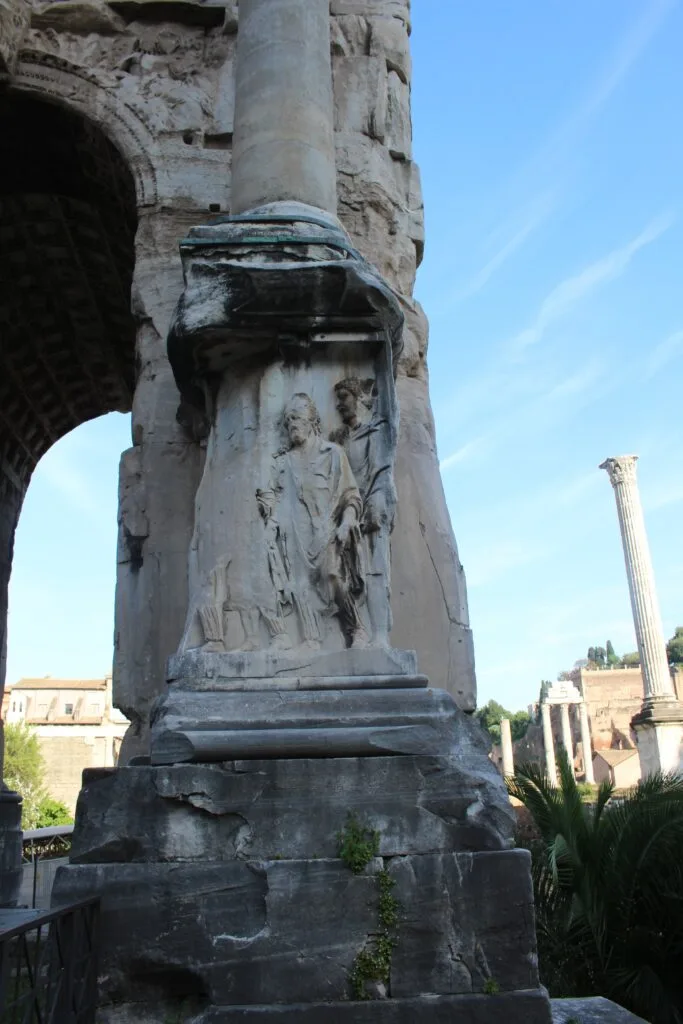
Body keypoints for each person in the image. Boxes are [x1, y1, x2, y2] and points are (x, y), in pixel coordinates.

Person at [257, 393, 368, 649]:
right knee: (299, 585)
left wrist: (347, 521)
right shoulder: (283, 462)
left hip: (327, 528)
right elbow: (272, 495)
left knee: (332, 575)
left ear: (311, 420)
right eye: (287, 421)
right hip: (294, 531)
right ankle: (311, 639)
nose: (291, 424)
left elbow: (351, 495)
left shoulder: (332, 454)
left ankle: (357, 628)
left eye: (296, 418)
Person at [331, 377, 395, 646]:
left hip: (369, 512)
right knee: (345, 576)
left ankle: (379, 633)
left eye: (344, 397)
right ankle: (355, 630)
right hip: (343, 514)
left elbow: (381, 473)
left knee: (375, 573)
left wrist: (376, 504)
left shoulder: (374, 433)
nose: (339, 404)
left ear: (358, 399)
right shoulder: (337, 441)